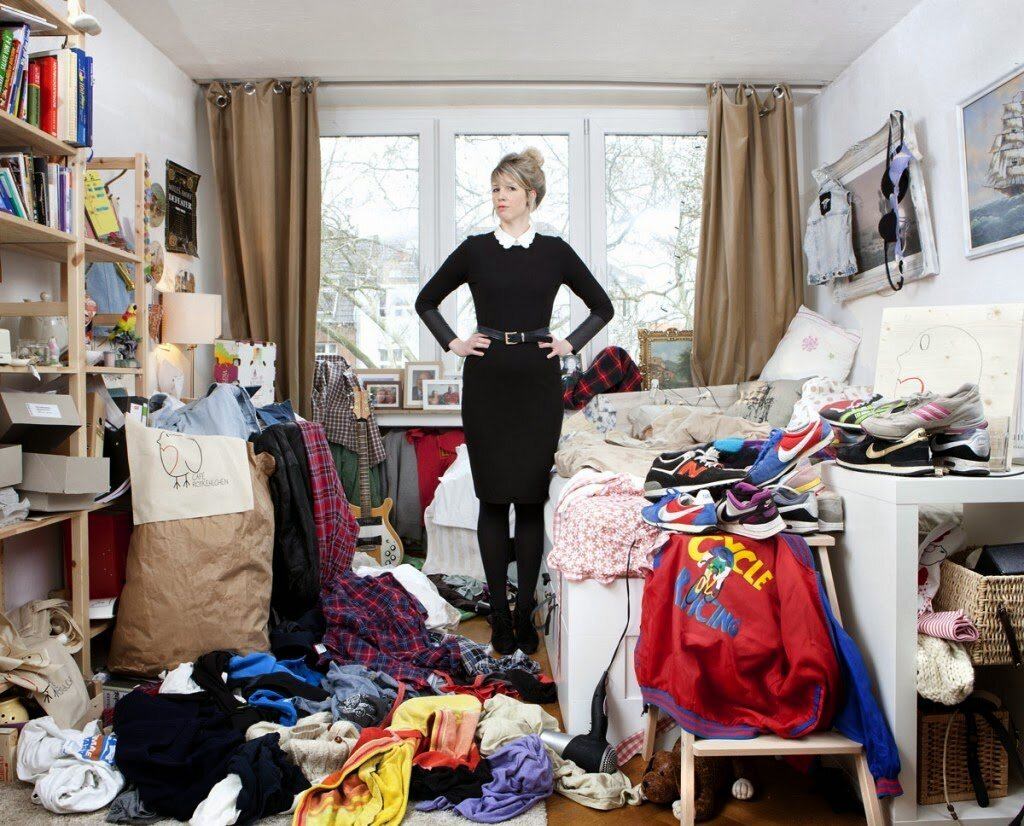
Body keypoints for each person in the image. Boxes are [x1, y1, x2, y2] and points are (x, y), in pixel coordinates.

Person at [415, 148, 613, 655]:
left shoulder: (555, 252)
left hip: (536, 385)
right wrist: (455, 343)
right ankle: (500, 619)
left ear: (531, 195)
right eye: (494, 189)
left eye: (508, 189)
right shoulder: (475, 250)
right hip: (487, 384)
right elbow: (426, 301)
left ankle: (525, 614)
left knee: (528, 500)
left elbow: (602, 306)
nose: (499, 197)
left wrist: (569, 343)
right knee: (491, 500)